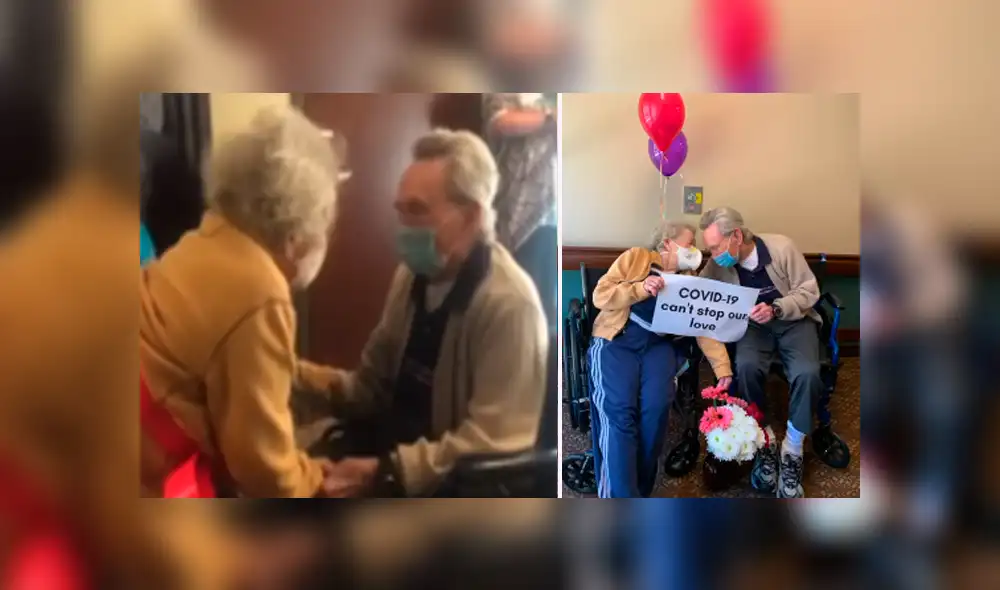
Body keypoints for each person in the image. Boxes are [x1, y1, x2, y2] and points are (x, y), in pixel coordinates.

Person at [296, 128, 548, 498]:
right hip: (393, 455)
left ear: (471, 217)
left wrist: (387, 472)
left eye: (417, 211)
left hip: (449, 489)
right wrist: (293, 373)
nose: (404, 228)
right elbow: (369, 389)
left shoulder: (509, 305)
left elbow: (493, 442)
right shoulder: (411, 277)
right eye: (401, 211)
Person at [139, 104, 350, 498]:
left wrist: (327, 383)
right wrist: (317, 479)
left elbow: (234, 357)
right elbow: (262, 466)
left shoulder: (207, 238)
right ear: (298, 230)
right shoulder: (262, 290)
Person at [587, 221, 733, 498]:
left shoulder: (690, 279)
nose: (694, 249)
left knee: (655, 413)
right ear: (668, 243)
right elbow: (601, 295)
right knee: (619, 415)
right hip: (617, 341)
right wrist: (641, 287)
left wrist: (721, 366)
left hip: (658, 347)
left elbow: (701, 324)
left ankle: (639, 492)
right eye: (689, 242)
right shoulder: (636, 258)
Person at [699, 206, 821, 498]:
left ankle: (792, 447)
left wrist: (777, 308)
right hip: (752, 327)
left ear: (736, 236)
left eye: (715, 247)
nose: (713, 254)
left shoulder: (782, 247)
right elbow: (698, 288)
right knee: (745, 367)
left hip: (792, 319)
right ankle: (764, 437)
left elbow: (809, 291)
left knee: (808, 373)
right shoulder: (718, 264)